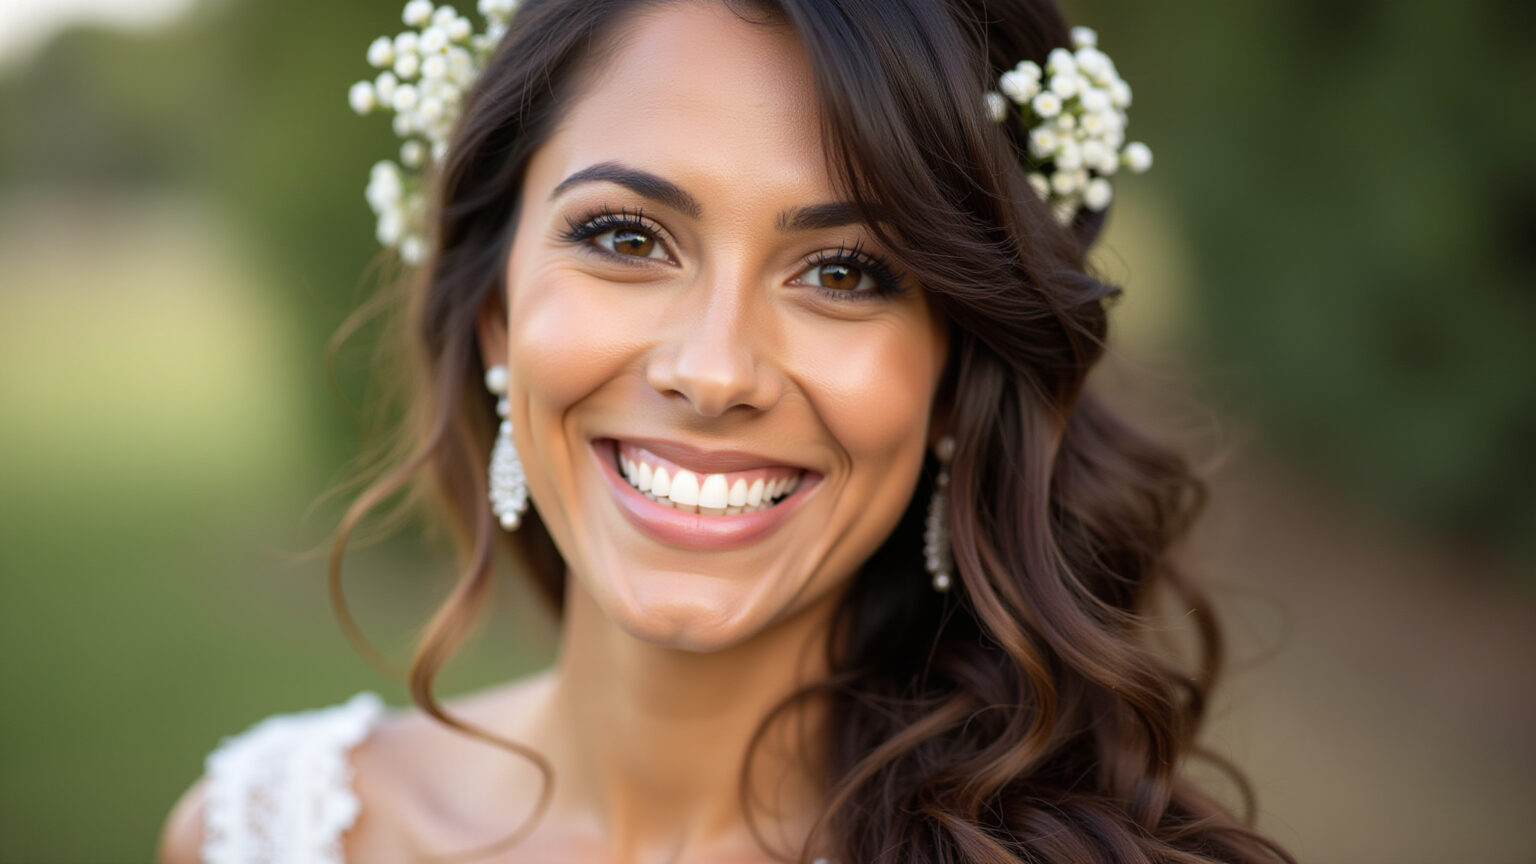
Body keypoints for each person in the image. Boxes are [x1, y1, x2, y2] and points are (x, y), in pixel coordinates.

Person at [159, 0, 1295, 862]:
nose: (713, 372)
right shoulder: (267, 831)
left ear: (955, 378)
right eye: (625, 237)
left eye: (846, 271)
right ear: (498, 311)